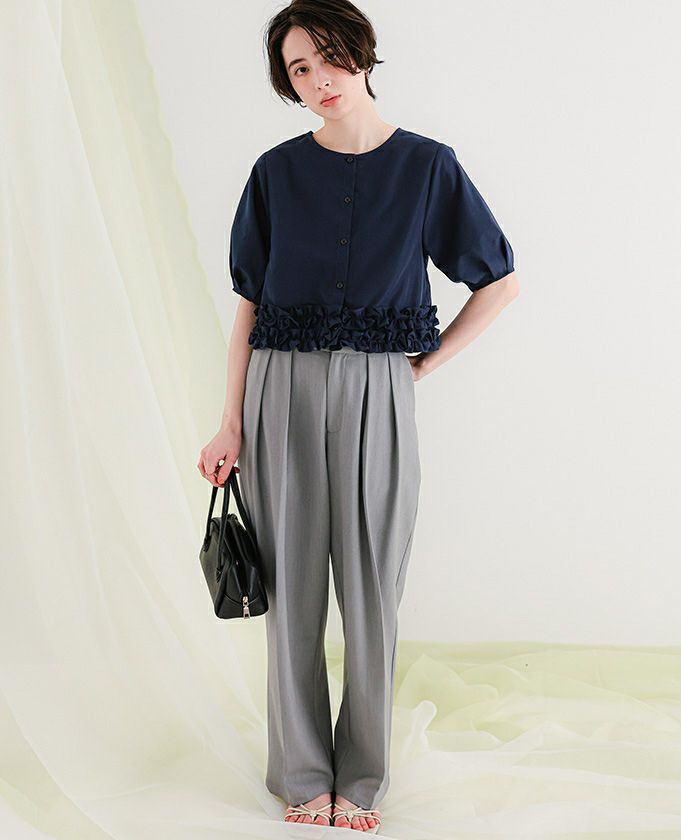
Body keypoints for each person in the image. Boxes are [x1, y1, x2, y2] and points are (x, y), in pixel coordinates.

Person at [198, 0, 519, 832]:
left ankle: (364, 777)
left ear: (363, 53)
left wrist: (423, 365)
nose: (319, 80)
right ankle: (303, 774)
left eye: (329, 57)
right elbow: (247, 308)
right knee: (293, 589)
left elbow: (499, 282)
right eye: (299, 69)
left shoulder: (427, 167)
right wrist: (229, 422)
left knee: (374, 587)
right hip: (279, 388)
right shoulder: (275, 172)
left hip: (382, 390)